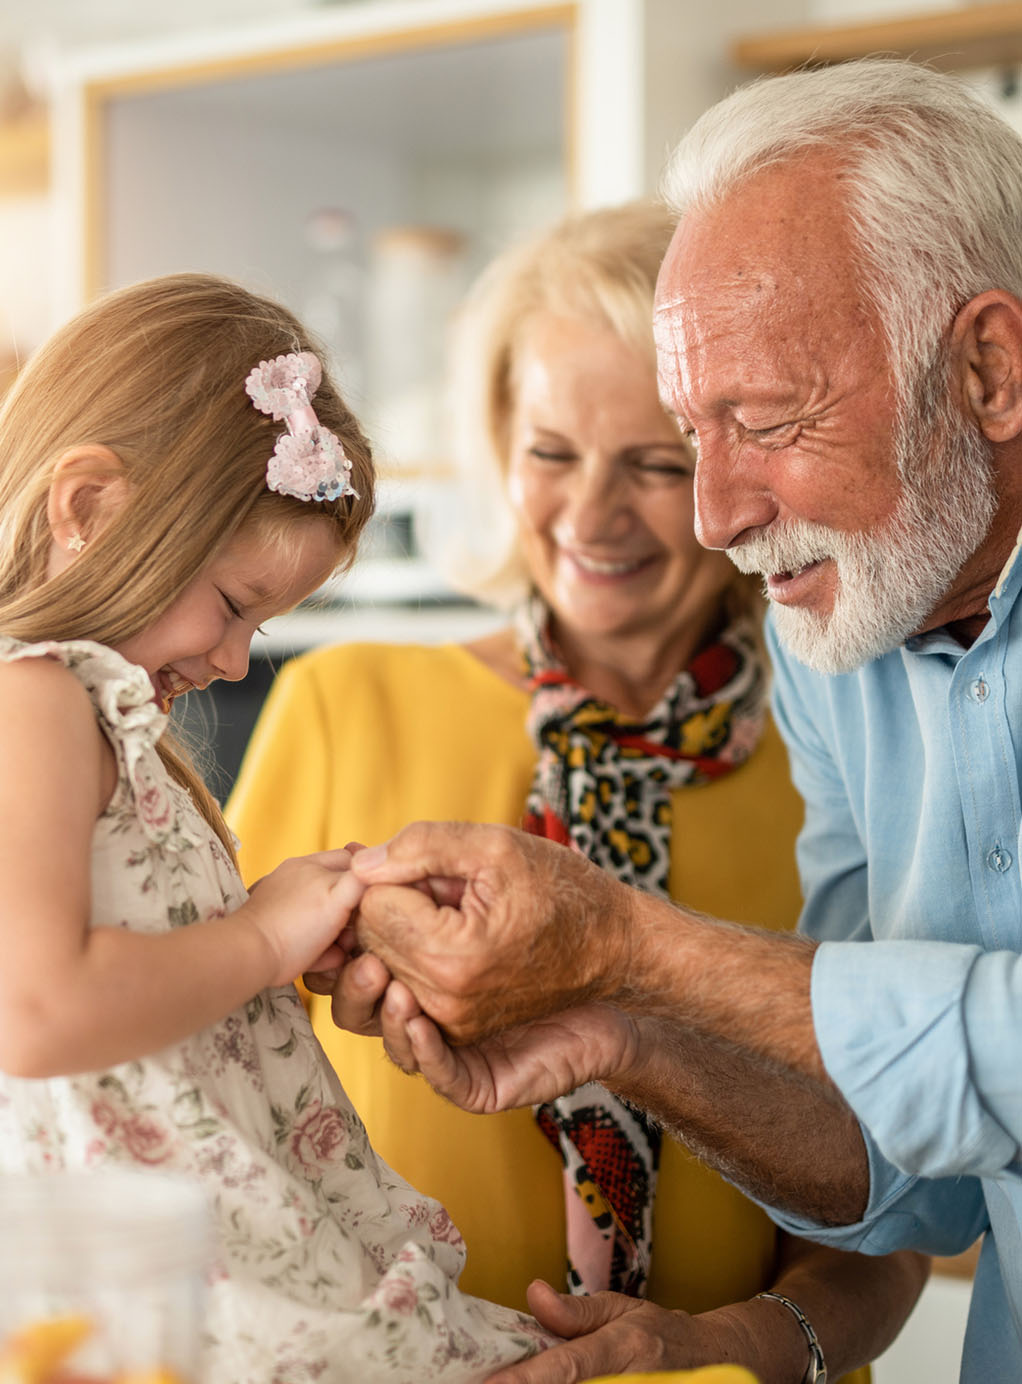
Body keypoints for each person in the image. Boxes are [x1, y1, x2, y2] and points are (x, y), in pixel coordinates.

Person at [322, 59, 1022, 1384]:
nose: (712, 515)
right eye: (693, 433)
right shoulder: (839, 655)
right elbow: (905, 1170)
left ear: (986, 367)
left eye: (761, 419)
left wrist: (633, 949)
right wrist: (624, 1040)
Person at [228, 203, 926, 1383]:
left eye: (656, 464)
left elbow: (905, 1203)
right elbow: (210, 1113)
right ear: (499, 442)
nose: (594, 516)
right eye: (552, 452)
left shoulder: (847, 762)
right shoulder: (345, 706)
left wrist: (733, 1347)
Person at [0, 272, 557, 1384]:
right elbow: (33, 1010)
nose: (237, 661)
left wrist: (278, 932)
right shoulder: (28, 699)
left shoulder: (94, 717)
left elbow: (138, 974)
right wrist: (258, 941)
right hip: (155, 1273)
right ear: (89, 508)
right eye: (235, 604)